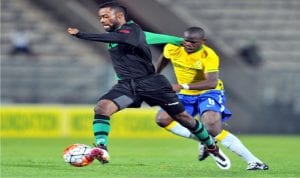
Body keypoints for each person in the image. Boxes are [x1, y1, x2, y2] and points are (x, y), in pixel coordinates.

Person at [67, 2, 230, 169]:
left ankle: (211, 146)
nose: (102, 20)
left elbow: (121, 38)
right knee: (102, 108)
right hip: (127, 86)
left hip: (152, 84)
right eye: (100, 17)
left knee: (184, 118)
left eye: (105, 16)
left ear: (120, 16)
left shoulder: (131, 31)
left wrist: (81, 35)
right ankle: (101, 148)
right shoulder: (129, 34)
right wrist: (179, 41)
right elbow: (155, 37)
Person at [155, 27, 269, 170]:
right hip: (184, 93)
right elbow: (164, 58)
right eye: (186, 41)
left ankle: (254, 161)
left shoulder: (208, 55)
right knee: (162, 119)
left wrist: (182, 85)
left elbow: (211, 82)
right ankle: (206, 140)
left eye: (193, 42)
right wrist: (155, 74)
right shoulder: (173, 47)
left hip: (208, 92)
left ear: (203, 41)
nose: (188, 44)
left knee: (212, 127)